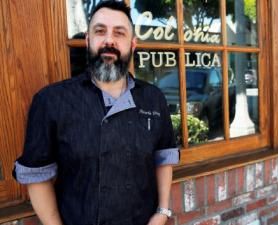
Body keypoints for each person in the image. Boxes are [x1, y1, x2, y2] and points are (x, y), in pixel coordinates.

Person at [13, 1, 179, 225]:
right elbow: (37, 177)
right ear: (88, 41)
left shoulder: (153, 97)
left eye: (119, 33)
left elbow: (164, 157)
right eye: (100, 31)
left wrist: (163, 211)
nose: (109, 40)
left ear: (132, 45)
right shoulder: (50, 101)